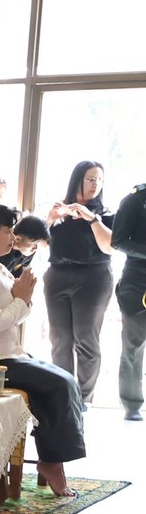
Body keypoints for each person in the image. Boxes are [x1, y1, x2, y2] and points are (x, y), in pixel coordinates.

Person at [0, 204, 87, 495]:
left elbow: (16, 314)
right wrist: (20, 300)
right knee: (59, 383)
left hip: (2, 356)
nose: (13, 237)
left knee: (61, 379)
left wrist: (22, 300)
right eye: (7, 231)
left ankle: (52, 459)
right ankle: (50, 461)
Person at [44, 160, 116, 397]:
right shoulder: (61, 211)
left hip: (93, 278)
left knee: (85, 337)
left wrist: (91, 218)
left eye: (100, 180)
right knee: (60, 339)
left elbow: (109, 247)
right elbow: (39, 242)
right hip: (57, 276)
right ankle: (63, 393)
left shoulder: (105, 215)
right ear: (78, 180)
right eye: (91, 179)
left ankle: (84, 396)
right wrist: (51, 218)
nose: (96, 184)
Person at [114, 179, 146, 421]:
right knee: (133, 346)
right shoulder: (135, 199)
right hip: (138, 283)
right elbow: (118, 240)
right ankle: (132, 404)